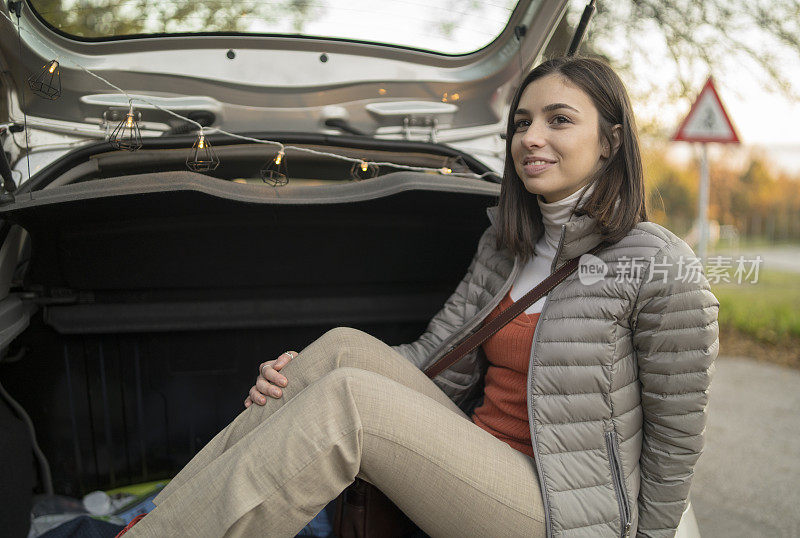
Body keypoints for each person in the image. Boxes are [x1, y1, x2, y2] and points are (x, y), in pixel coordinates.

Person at [122, 56, 719, 538]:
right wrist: (294, 378)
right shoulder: (506, 244)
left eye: (559, 120)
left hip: (564, 510)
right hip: (479, 456)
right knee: (337, 351)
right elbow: (439, 357)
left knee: (350, 403)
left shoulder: (658, 264)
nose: (531, 138)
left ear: (611, 141)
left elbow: (675, 444)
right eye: (521, 123)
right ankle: (157, 525)